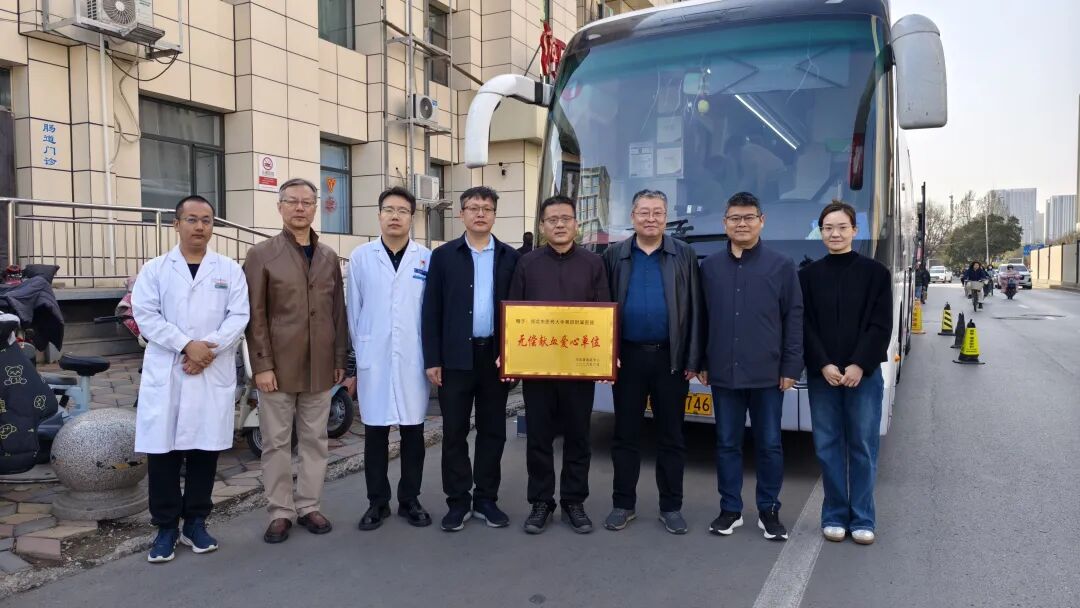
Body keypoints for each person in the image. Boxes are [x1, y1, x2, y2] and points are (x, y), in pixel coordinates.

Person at [131, 195, 250, 563]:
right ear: (176, 224)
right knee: (163, 452)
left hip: (209, 368)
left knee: (204, 450)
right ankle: (166, 527)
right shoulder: (155, 269)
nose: (200, 226)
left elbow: (239, 316)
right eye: (192, 219)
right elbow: (146, 316)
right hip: (169, 369)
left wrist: (206, 351)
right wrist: (186, 346)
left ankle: (195, 523)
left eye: (207, 220)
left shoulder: (229, 270)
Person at [244, 177, 348, 544]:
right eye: (292, 201)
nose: (300, 208)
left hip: (320, 364)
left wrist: (339, 357)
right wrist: (262, 365)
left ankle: (308, 505)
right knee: (275, 442)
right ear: (280, 207)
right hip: (278, 367)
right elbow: (255, 315)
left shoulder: (328, 257)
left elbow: (337, 312)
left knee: (315, 440)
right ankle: (280, 511)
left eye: (307, 202)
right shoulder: (262, 255)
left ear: (316, 207)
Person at [700, 191, 803, 541]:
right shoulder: (710, 267)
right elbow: (702, 318)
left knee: (769, 444)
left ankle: (768, 510)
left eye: (748, 217)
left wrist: (791, 366)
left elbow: (794, 318)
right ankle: (730, 509)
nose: (741, 224)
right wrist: (701, 361)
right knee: (727, 443)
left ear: (762, 221)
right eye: (734, 218)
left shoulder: (781, 265)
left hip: (768, 374)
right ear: (724, 223)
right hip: (723, 372)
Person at [600, 189, 704, 535]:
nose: (650, 218)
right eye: (643, 212)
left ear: (666, 217)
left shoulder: (683, 254)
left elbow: (695, 309)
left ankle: (671, 507)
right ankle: (622, 504)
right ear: (632, 217)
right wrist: (605, 357)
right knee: (625, 435)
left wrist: (693, 358)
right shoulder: (614, 255)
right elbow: (602, 308)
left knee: (671, 436)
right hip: (627, 358)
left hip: (670, 359)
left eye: (657, 212)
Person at [508, 195, 611, 534]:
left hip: (579, 368)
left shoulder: (594, 264)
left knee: (579, 437)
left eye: (566, 218)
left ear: (576, 224)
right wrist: (509, 354)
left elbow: (605, 312)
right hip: (537, 368)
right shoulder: (527, 264)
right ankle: (541, 502)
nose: (560, 224)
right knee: (538, 437)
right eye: (552, 219)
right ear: (542, 226)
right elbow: (514, 313)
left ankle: (573, 501)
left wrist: (607, 355)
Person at [422, 186, 521, 532]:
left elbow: (520, 311)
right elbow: (431, 310)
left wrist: (514, 357)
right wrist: (432, 358)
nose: (480, 213)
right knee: (454, 431)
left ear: (494, 214)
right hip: (455, 358)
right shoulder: (443, 256)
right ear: (461, 213)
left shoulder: (511, 257)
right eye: (473, 207)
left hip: (495, 358)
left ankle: (486, 499)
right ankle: (458, 501)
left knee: (493, 431)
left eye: (487, 208)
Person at [799, 201, 893, 546]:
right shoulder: (807, 276)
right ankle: (835, 514)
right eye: (828, 228)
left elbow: (881, 325)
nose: (834, 234)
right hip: (823, 376)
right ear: (820, 232)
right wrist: (823, 364)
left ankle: (863, 517)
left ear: (855, 230)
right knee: (827, 446)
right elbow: (804, 325)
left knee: (863, 446)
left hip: (862, 376)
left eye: (842, 227)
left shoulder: (876, 273)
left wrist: (859, 364)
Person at [350, 187, 433, 531]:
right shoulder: (361, 257)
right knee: (376, 432)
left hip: (414, 357)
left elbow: (430, 311)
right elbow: (354, 310)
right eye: (389, 210)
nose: (395, 216)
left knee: (414, 431)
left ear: (412, 217)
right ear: (379, 215)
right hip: (375, 355)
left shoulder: (426, 258)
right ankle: (377, 502)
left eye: (402, 211)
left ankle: (410, 499)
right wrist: (360, 353)